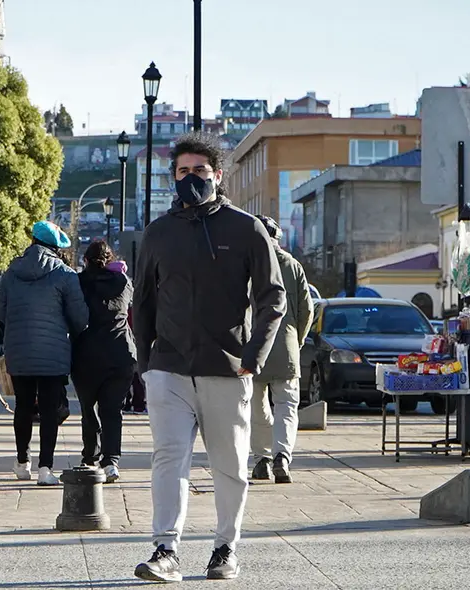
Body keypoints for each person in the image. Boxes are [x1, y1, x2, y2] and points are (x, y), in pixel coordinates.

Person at [132, 132, 286, 582]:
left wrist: (253, 355)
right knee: (168, 458)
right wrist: (147, 363)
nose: (191, 178)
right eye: (182, 171)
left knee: (231, 465)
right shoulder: (158, 233)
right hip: (169, 370)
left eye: (200, 170)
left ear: (218, 176)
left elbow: (271, 297)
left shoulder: (245, 229)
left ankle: (225, 548)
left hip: (227, 366)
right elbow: (142, 303)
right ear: (172, 177)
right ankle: (165, 549)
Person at [0, 221, 88, 486]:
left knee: (23, 406)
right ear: (56, 248)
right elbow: (80, 318)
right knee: (50, 409)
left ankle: (22, 462)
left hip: (19, 351)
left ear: (33, 241)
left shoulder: (11, 274)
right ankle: (45, 468)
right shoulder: (66, 275)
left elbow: (1, 313)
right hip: (54, 353)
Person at [250, 216, 314, 485]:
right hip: (286, 346)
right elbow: (307, 309)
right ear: (277, 238)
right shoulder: (293, 265)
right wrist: (296, 340)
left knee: (255, 407)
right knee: (287, 405)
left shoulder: (247, 265)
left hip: (251, 346)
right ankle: (282, 457)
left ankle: (262, 459)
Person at [72, 241, 135, 484]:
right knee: (112, 411)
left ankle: (90, 456)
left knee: (89, 410)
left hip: (86, 355)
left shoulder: (77, 282)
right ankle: (111, 462)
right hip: (120, 354)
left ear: (86, 260)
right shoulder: (123, 283)